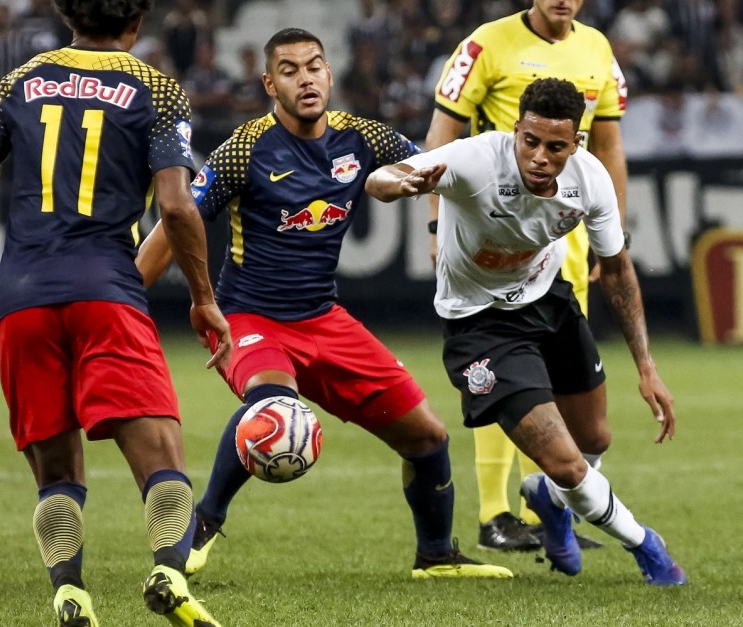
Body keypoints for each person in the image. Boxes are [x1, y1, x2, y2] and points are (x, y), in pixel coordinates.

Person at [137, 27, 512, 581]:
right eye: (289, 70)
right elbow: (176, 223)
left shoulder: (360, 137)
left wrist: (507, 179)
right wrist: (122, 302)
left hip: (323, 318)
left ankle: (436, 555)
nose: (305, 78)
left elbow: (441, 165)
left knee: (429, 437)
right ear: (270, 83)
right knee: (273, 410)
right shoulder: (244, 150)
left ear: (330, 75)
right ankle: (202, 526)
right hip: (249, 317)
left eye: (314, 66)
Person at [0, 2, 231, 625]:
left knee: (57, 474)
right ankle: (170, 573)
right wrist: (203, 297)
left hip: (21, 299)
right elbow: (176, 208)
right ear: (137, 21)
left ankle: (70, 592)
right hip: (106, 291)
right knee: (164, 461)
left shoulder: (21, 80)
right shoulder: (155, 88)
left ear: (66, 13)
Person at [365, 77, 687, 586]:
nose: (539, 156)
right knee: (567, 464)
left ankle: (547, 501)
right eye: (529, 141)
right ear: (515, 130)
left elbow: (619, 269)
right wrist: (398, 185)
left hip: (549, 302)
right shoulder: (475, 159)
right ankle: (646, 544)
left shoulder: (591, 180)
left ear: (575, 144)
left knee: (594, 440)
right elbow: (384, 176)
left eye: (555, 146)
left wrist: (647, 366)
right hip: (481, 325)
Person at [423, 0, 629, 552]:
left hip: (562, 242)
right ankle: (496, 514)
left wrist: (617, 234)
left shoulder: (598, 49)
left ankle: (550, 509)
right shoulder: (485, 43)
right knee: (503, 368)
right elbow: (444, 133)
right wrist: (434, 226)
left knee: (556, 380)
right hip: (491, 227)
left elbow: (607, 147)